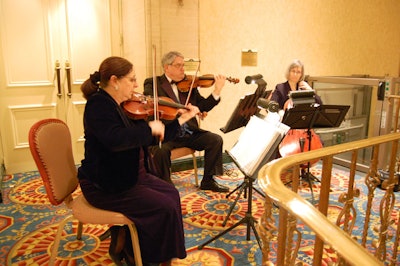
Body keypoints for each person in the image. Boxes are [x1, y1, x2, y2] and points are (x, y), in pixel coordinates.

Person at [77, 56, 199, 265]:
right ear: (114, 80)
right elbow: (115, 139)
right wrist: (148, 128)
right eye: (132, 80)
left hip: (131, 174)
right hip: (106, 184)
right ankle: (144, 256)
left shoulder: (121, 105)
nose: (136, 85)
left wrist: (182, 119)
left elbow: (155, 135)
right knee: (164, 207)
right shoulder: (98, 105)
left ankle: (147, 250)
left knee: (171, 194)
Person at [143, 51, 229, 193]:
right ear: (167, 67)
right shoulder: (153, 82)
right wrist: (176, 110)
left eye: (183, 65)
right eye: (178, 65)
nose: (183, 69)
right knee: (159, 150)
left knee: (215, 140)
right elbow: (151, 100)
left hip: (189, 132)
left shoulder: (189, 85)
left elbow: (202, 106)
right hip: (168, 133)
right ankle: (165, 185)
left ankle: (208, 180)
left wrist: (217, 90)